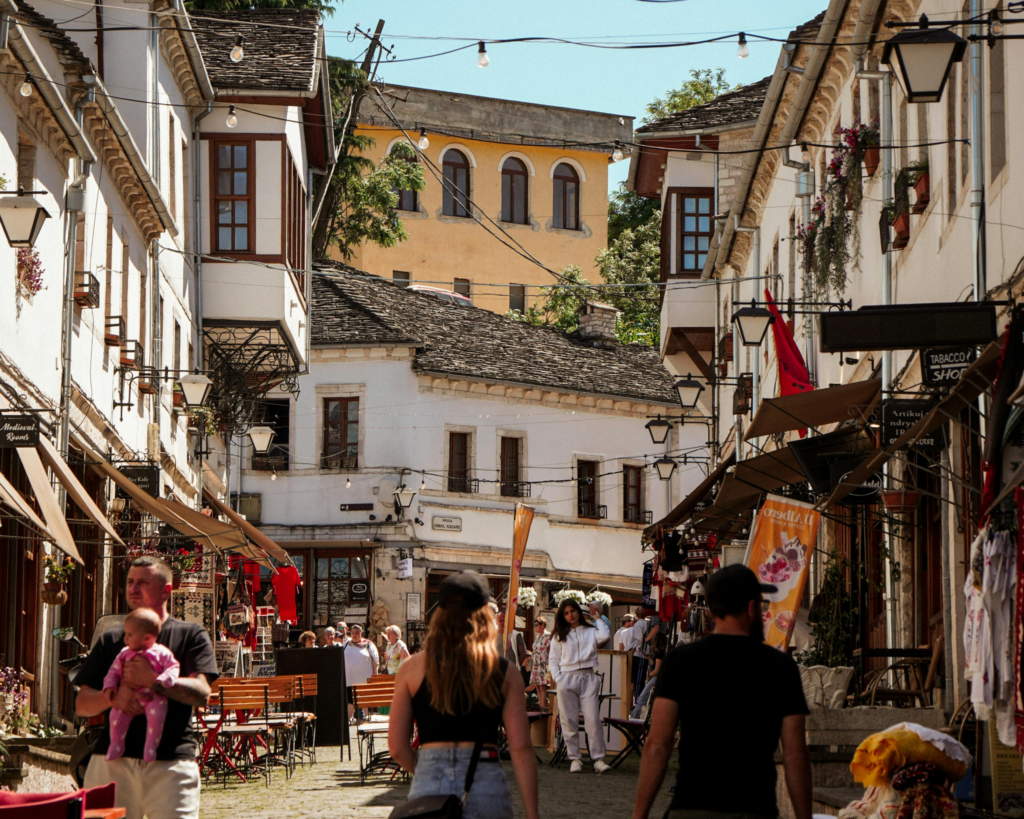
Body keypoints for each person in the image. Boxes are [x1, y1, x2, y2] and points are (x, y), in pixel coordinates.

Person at [631, 564, 812, 819]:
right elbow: (795, 754)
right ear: (751, 608)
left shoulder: (679, 662)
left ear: (712, 609)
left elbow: (658, 745)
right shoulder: (780, 667)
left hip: (691, 807)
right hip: (754, 809)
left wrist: (639, 814)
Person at [388, 571, 539, 819]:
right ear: (484, 615)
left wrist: (427, 768)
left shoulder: (411, 669)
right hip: (486, 778)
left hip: (430, 784)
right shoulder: (504, 672)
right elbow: (521, 747)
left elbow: (397, 748)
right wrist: (533, 814)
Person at [76, 557, 217, 819]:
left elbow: (202, 693)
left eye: (143, 582)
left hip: (171, 763)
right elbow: (82, 704)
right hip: (111, 764)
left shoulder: (191, 635)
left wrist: (153, 680)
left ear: (167, 590)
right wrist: (114, 699)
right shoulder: (111, 640)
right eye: (130, 582)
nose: (133, 588)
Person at [102, 609, 180, 763]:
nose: (125, 639)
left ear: (147, 638)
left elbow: (173, 667)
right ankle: (117, 743)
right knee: (115, 715)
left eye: (130, 635)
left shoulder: (161, 653)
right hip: (129, 695)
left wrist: (163, 679)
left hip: (153, 696)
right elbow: (114, 671)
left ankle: (151, 747)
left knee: (157, 716)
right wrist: (110, 686)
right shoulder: (125, 653)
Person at [548, 598, 612, 774]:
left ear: (578, 611)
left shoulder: (591, 630)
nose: (570, 615)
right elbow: (552, 660)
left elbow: (605, 636)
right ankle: (575, 758)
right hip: (567, 678)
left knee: (592, 719)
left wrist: (597, 618)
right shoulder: (558, 635)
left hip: (588, 676)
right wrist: (558, 678)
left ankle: (598, 759)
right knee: (568, 720)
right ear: (563, 615)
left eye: (573, 611)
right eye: (566, 613)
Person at [344, 624, 379, 722]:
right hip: (350, 678)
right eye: (353, 633)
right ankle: (349, 720)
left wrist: (375, 674)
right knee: (351, 700)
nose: (354, 635)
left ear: (361, 633)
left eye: (357, 633)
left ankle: (368, 719)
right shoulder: (346, 643)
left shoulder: (368, 644)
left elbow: (375, 659)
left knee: (365, 700)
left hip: (364, 678)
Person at [629, 632, 667, 720]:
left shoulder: (659, 653)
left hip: (656, 678)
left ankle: (634, 718)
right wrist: (649, 658)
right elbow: (657, 665)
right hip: (660, 678)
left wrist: (649, 675)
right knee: (645, 699)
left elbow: (657, 670)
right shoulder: (663, 652)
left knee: (642, 699)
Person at [528, 617, 552, 710]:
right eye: (534, 625)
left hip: (543, 664)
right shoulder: (538, 637)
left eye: (537, 625)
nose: (535, 627)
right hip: (536, 665)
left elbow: (550, 649)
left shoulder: (548, 636)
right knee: (537, 686)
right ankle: (541, 705)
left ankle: (544, 707)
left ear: (543, 625)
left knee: (543, 686)